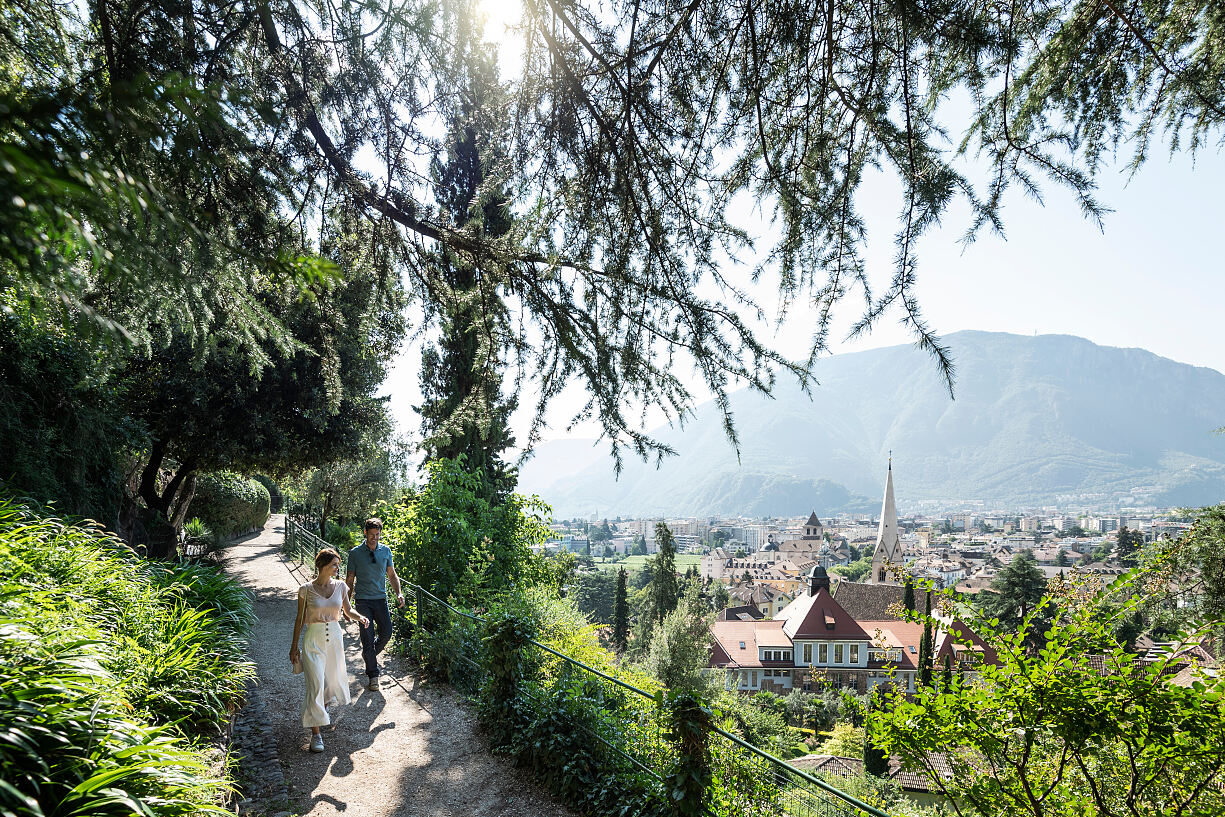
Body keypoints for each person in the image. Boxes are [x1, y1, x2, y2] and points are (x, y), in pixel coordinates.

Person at [289, 547, 369, 753]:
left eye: (338, 564)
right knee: (315, 684)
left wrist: (359, 617)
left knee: (331, 685)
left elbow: (348, 610)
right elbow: (299, 619)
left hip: (334, 637)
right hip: (313, 639)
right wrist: (293, 647)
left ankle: (321, 710)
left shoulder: (341, 586)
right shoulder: (305, 589)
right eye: (334, 564)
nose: (337, 568)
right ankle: (316, 734)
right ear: (323, 566)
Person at [346, 517, 404, 691]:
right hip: (362, 601)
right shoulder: (355, 553)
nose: (374, 538)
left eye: (377, 535)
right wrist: (346, 605)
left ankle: (368, 654)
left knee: (387, 633)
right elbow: (349, 580)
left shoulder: (386, 551)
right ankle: (373, 675)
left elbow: (392, 576)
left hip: (380, 599)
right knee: (367, 638)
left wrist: (399, 593)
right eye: (371, 535)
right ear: (365, 533)